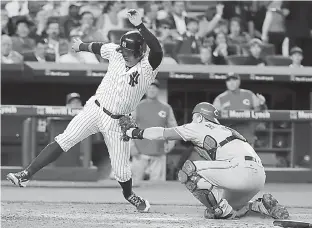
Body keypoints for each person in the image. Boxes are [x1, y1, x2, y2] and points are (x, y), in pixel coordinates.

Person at [7, 9, 163, 213]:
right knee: (64, 139)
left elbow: (158, 50)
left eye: (129, 52)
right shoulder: (117, 52)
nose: (125, 54)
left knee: (122, 171)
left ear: (140, 52)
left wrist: (140, 26)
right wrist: (81, 46)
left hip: (118, 121)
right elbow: (99, 47)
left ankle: (129, 194)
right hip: (95, 108)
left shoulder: (148, 66)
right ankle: (25, 175)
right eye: (123, 51)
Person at [124, 102, 289, 220]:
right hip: (258, 176)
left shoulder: (199, 125)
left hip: (239, 170)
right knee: (235, 207)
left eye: (195, 116)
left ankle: (220, 211)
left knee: (189, 171)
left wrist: (134, 132)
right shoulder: (226, 129)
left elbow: (162, 133)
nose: (194, 119)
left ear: (200, 117)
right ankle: (260, 206)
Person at [131, 80, 178, 182]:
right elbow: (127, 128)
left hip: (159, 154)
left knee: (157, 187)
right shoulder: (137, 106)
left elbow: (173, 128)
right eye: (149, 87)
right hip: (139, 153)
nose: (152, 90)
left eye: (154, 87)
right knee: (134, 185)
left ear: (158, 90)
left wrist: (171, 143)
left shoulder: (166, 108)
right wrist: (131, 147)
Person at [213, 73, 267, 146]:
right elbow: (213, 119)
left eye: (234, 80)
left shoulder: (249, 94)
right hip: (228, 137)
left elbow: (260, 113)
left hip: (247, 136)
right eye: (229, 80)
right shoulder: (220, 98)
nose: (231, 83)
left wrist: (262, 104)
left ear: (239, 81)